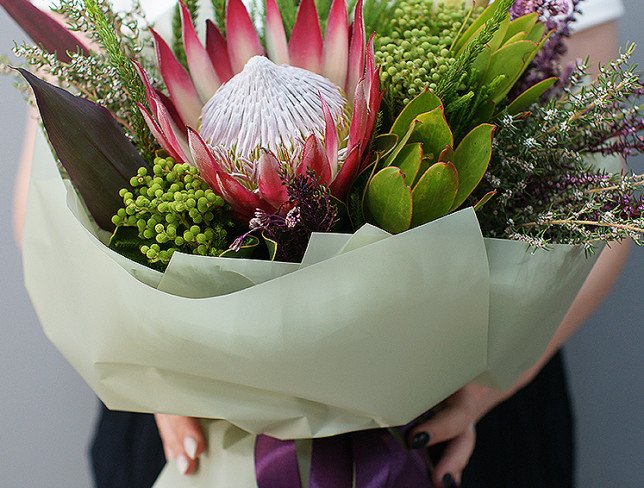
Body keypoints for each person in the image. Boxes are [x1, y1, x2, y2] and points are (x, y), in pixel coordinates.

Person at [10, 1, 630, 487]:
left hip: (462, 413)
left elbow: (600, 198)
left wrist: (483, 391)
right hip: (186, 430)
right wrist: (158, 383)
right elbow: (52, 201)